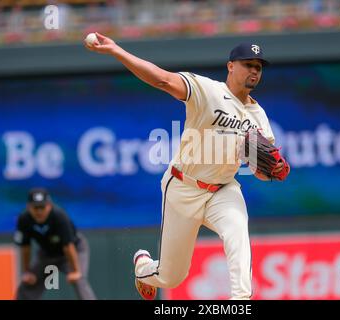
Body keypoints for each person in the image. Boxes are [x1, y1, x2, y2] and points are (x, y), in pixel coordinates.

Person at [85, 33, 287, 300]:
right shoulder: (208, 91)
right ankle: (144, 267)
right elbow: (162, 79)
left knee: (237, 231)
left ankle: (241, 300)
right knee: (172, 276)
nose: (254, 70)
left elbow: (260, 172)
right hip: (183, 187)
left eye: (258, 67)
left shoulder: (258, 116)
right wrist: (116, 51)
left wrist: (269, 171)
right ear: (231, 66)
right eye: (248, 64)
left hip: (222, 190)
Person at [14, 188, 96, 300]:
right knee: (28, 282)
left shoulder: (59, 216)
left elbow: (68, 246)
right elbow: (25, 247)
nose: (39, 212)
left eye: (42, 207)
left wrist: (76, 271)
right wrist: (27, 271)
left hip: (74, 251)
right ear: (29, 207)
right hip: (47, 254)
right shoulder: (24, 219)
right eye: (35, 207)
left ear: (49, 206)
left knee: (79, 280)